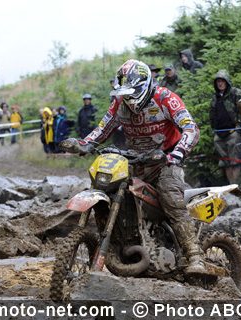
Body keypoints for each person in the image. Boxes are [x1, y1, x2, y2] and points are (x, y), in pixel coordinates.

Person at [61, 59, 208, 275]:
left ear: (145, 84)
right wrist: (83, 144)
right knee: (110, 189)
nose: (129, 97)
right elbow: (103, 128)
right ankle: (123, 245)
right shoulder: (120, 102)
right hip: (135, 161)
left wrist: (177, 153)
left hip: (166, 162)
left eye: (133, 91)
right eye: (125, 92)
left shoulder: (165, 98)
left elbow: (191, 128)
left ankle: (195, 256)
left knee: (169, 196)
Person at [209, 70, 241, 184]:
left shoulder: (235, 93)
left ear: (227, 82)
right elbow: (212, 114)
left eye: (222, 81)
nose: (220, 84)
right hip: (219, 134)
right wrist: (214, 129)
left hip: (233, 132)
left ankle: (237, 186)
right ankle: (231, 187)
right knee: (225, 162)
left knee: (235, 161)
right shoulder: (215, 97)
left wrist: (238, 126)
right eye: (218, 81)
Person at [108, 79, 128, 150]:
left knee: (124, 136)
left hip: (123, 117)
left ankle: (124, 149)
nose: (112, 84)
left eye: (113, 83)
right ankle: (118, 149)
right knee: (116, 135)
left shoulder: (123, 96)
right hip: (116, 117)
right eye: (111, 83)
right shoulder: (114, 96)